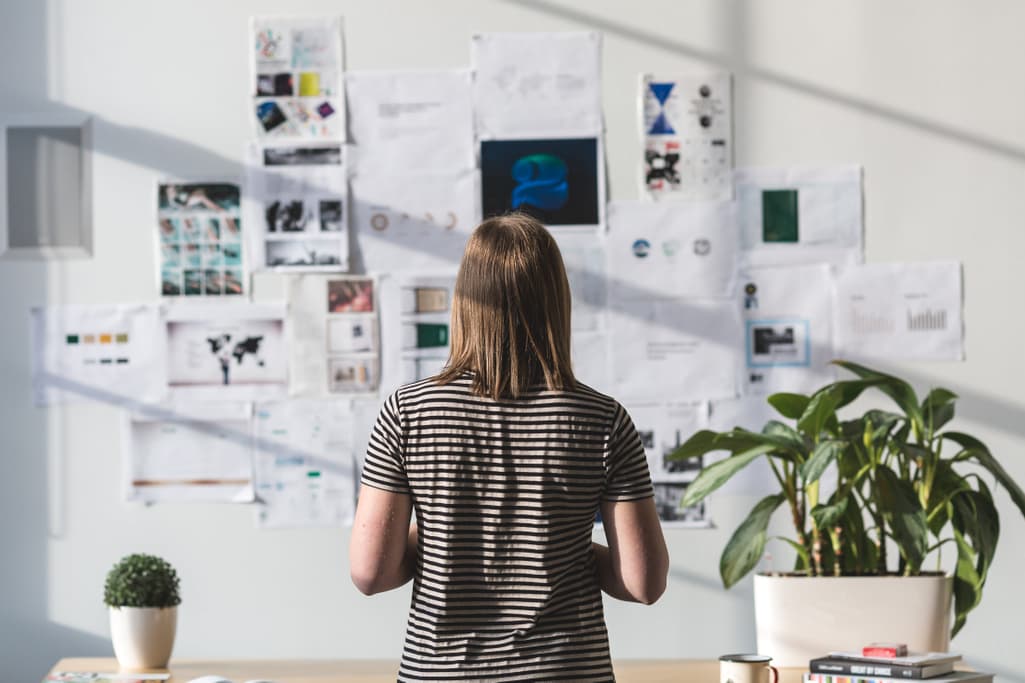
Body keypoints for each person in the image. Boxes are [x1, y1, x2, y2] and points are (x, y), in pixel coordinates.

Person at [350, 213, 669, 682]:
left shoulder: (407, 412)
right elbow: (642, 583)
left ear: (464, 301)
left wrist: (443, 543)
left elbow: (371, 573)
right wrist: (566, 551)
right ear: (557, 301)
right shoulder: (603, 419)